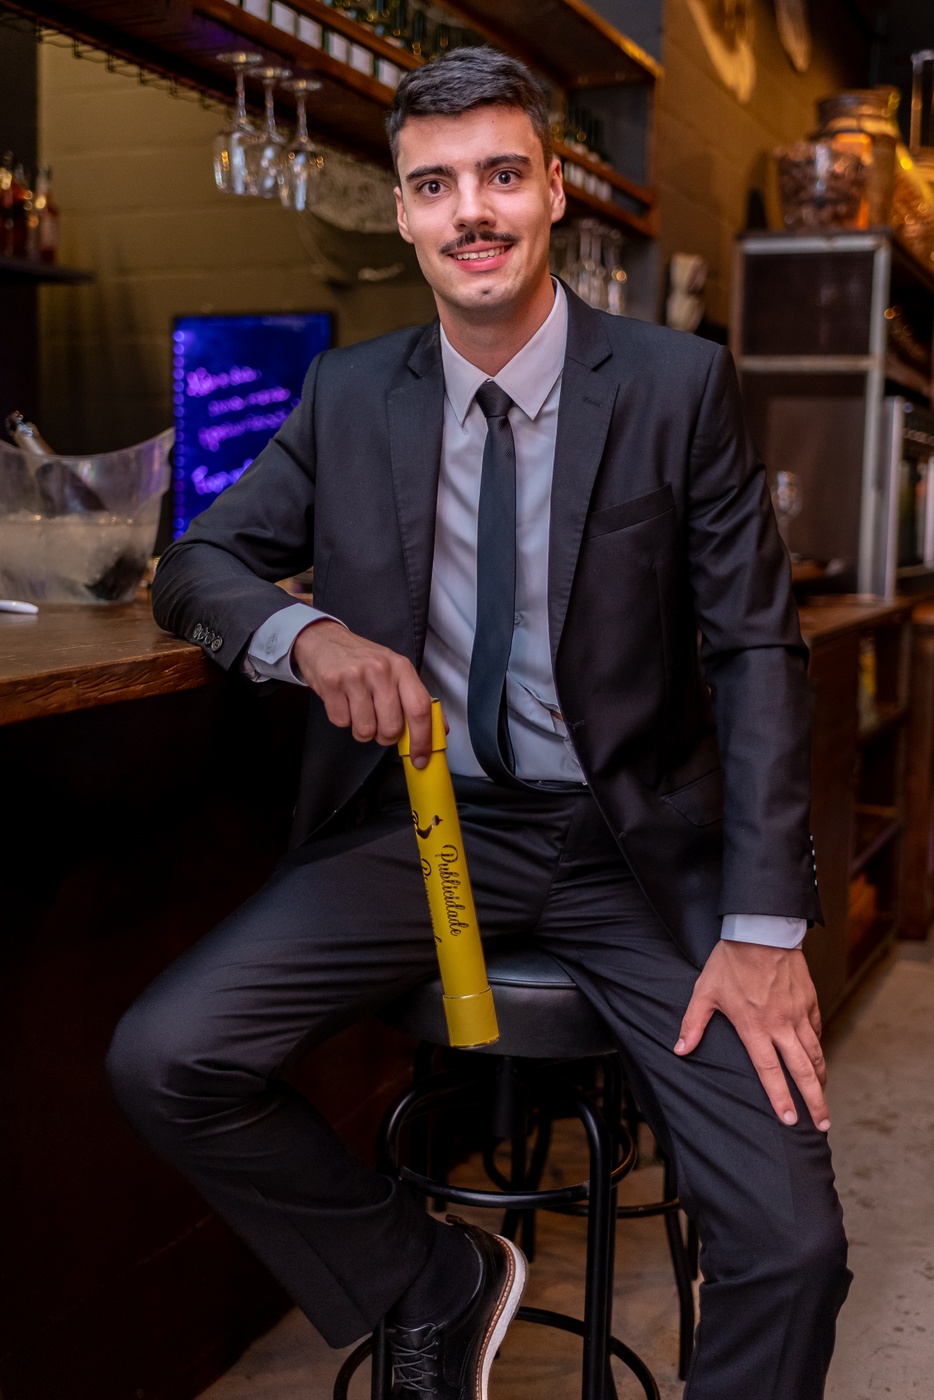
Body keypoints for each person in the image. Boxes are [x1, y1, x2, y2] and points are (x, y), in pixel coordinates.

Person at [107, 46, 850, 1400]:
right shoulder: (349, 396)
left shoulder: (676, 384)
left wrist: (762, 925)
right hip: (429, 828)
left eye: (501, 175)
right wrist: (306, 636)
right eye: (436, 184)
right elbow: (196, 562)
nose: (473, 212)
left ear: (553, 190)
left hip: (637, 850)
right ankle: (432, 1281)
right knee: (167, 1059)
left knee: (792, 1247)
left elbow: (755, 651)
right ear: (402, 212)